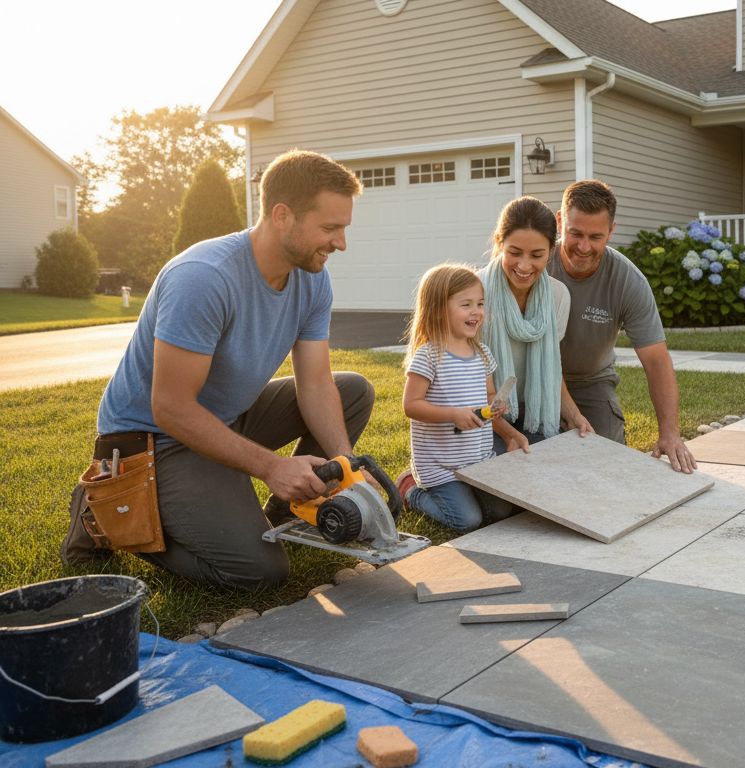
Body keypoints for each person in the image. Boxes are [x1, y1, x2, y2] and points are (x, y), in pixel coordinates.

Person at [61, 149, 373, 590]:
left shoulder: (312, 276)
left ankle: (290, 514)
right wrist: (271, 467)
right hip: (152, 442)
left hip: (223, 416)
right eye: (330, 228)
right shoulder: (204, 277)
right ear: (282, 215)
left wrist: (346, 466)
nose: (340, 243)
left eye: (343, 228)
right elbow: (169, 408)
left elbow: (317, 383)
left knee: (352, 389)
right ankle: (111, 516)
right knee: (260, 572)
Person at [546, 180, 696, 473]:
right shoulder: (535, 264)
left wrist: (669, 433)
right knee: (534, 465)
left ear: (611, 231)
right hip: (533, 379)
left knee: (609, 468)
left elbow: (656, 361)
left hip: (591, 382)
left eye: (596, 236)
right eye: (575, 233)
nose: (584, 246)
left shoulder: (628, 280)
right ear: (560, 221)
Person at [397, 265, 514, 532]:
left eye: (480, 304)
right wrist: (453, 414)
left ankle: (466, 492)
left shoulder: (482, 353)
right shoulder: (429, 356)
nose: (477, 312)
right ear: (439, 310)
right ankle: (411, 490)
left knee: (501, 510)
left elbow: (489, 394)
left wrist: (496, 407)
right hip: (441, 465)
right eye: (466, 305)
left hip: (477, 459)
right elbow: (411, 405)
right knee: (467, 520)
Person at [477, 196, 592, 451]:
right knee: (494, 486)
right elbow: (459, 382)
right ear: (499, 243)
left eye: (537, 255)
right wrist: (508, 434)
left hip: (534, 411)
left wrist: (574, 415)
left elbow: (552, 368)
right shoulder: (475, 294)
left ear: (551, 251)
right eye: (515, 253)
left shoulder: (558, 296)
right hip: (478, 414)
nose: (524, 265)